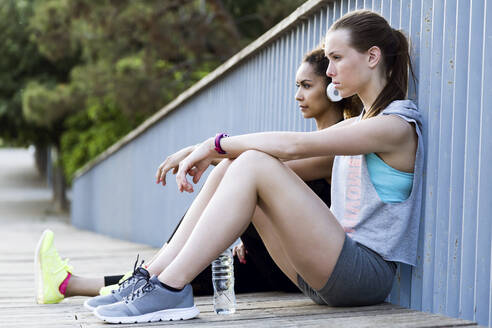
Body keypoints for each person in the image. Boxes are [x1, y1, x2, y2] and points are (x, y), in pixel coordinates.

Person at [83, 9, 424, 323]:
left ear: (372, 56)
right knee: (236, 165)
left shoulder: (394, 127)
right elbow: (280, 157)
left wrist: (214, 144)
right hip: (323, 272)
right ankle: (154, 277)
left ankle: (171, 289)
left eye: (336, 58)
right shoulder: (360, 125)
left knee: (253, 163)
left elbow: (292, 147)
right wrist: (206, 152)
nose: (330, 71)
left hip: (363, 275)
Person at [34, 48, 361, 305]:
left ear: (334, 90)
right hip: (272, 259)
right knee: (180, 270)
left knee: (181, 263)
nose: (297, 95)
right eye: (296, 86)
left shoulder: (332, 148)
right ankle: (72, 284)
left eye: (306, 86)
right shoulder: (309, 143)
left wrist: (199, 151)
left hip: (292, 270)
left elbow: (254, 168)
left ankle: (125, 280)